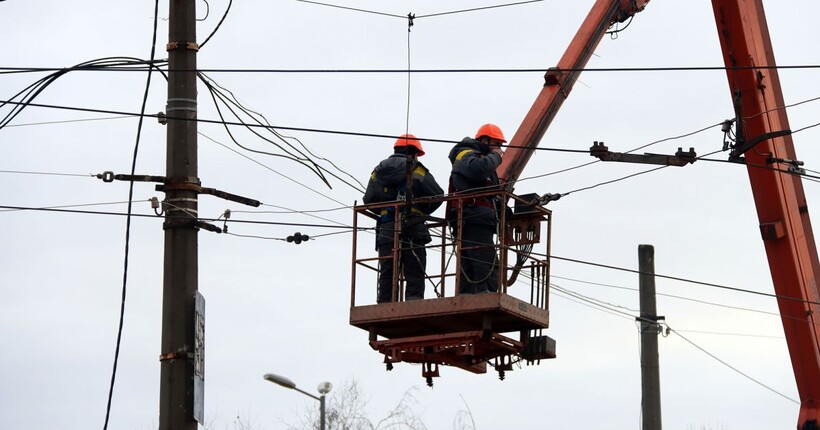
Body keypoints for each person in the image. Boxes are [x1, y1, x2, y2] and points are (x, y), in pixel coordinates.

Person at [363, 134, 444, 304]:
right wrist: (422, 210)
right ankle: (414, 302)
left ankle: (385, 303)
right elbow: (437, 195)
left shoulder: (377, 171)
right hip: (413, 226)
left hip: (387, 228)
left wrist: (386, 210)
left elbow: (369, 200)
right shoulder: (416, 169)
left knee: (387, 268)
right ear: (413, 153)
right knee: (414, 268)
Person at [447, 123, 506, 295]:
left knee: (475, 258)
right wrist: (496, 156)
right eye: (497, 144)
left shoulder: (482, 160)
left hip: (479, 217)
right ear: (484, 140)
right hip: (473, 216)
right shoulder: (466, 154)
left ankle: (469, 294)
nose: (499, 149)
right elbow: (477, 171)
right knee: (484, 260)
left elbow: (492, 192)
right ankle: (483, 294)